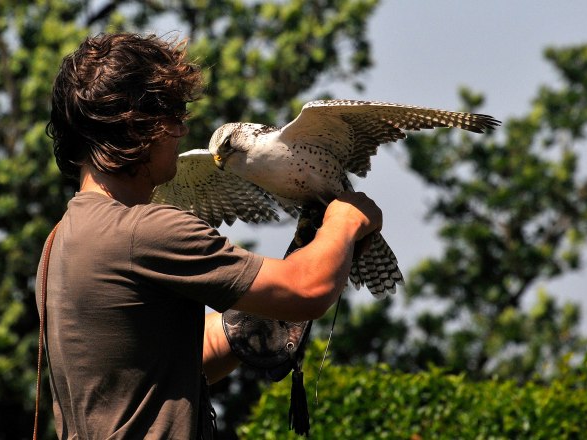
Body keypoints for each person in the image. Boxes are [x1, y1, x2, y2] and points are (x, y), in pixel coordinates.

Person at [38, 32, 383, 439]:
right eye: (175, 117)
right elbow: (309, 288)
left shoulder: (61, 240)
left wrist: (243, 328)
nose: (183, 131)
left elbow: (161, 368)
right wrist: (343, 220)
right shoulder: (146, 230)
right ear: (139, 126)